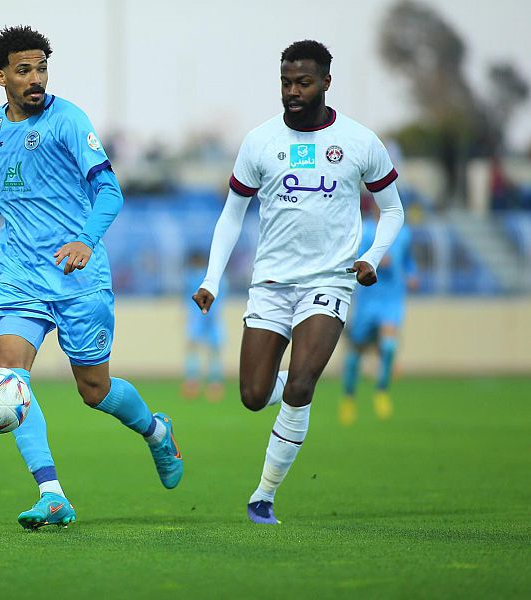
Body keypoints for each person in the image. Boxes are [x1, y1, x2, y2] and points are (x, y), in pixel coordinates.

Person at [0, 25, 183, 530]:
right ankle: (52, 495)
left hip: (78, 277)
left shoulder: (69, 121)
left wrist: (85, 241)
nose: (36, 79)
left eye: (42, 69)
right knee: (9, 375)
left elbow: (110, 192)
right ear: (1, 76)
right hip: (20, 277)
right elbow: (0, 187)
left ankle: (157, 432)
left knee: (94, 390)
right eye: (24, 70)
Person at [192, 40, 404, 525]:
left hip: (329, 281)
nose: (292, 91)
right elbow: (232, 215)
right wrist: (211, 280)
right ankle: (295, 381)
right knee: (252, 395)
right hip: (270, 283)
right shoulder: (260, 141)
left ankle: (263, 496)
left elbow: (393, 210)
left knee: (302, 384)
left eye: (303, 82)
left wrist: (370, 256)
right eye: (286, 82)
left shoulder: (359, 141)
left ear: (326, 82)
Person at [340, 207, 417, 425]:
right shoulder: (365, 230)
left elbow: (407, 259)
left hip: (392, 298)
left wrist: (412, 274)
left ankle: (381, 390)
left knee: (389, 345)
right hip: (368, 299)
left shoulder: (403, 232)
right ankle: (348, 398)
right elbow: (354, 258)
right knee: (356, 353)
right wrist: (372, 261)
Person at [182, 250, 225, 402]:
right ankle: (214, 385)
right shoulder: (219, 279)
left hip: (198, 317)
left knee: (194, 348)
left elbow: (187, 299)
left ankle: (192, 384)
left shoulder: (191, 277)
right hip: (213, 316)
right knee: (214, 351)